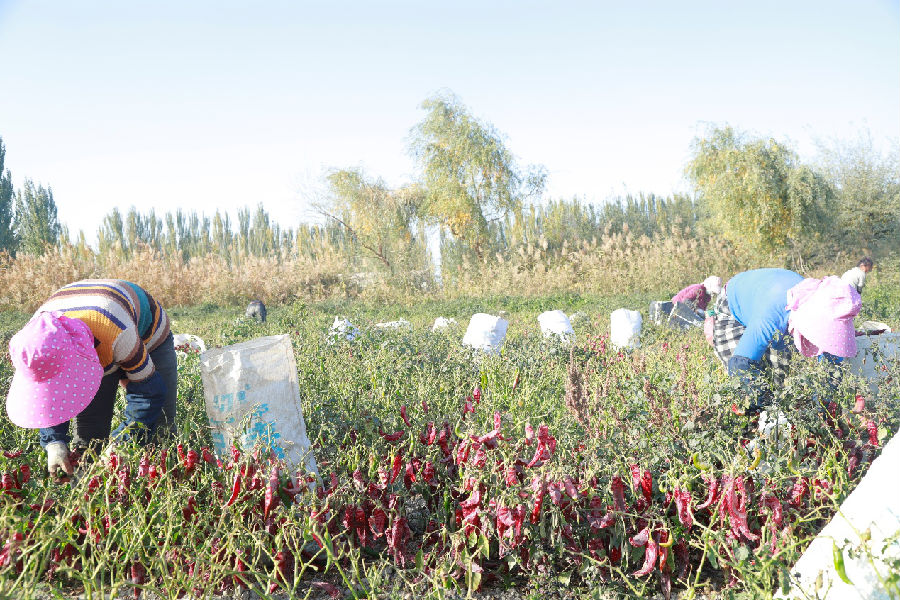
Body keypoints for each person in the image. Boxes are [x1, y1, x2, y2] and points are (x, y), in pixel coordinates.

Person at [5, 280, 176, 479]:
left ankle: (156, 482)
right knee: (89, 440)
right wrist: (54, 442)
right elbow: (47, 395)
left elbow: (149, 392)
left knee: (161, 429)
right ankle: (89, 494)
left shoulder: (118, 332)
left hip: (147, 334)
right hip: (98, 326)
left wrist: (123, 442)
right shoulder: (34, 341)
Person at [710, 269, 860, 412]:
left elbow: (831, 361)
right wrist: (767, 410)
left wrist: (825, 404)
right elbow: (740, 365)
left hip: (768, 296)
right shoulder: (770, 318)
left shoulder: (822, 305)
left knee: (779, 379)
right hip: (733, 307)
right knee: (750, 389)